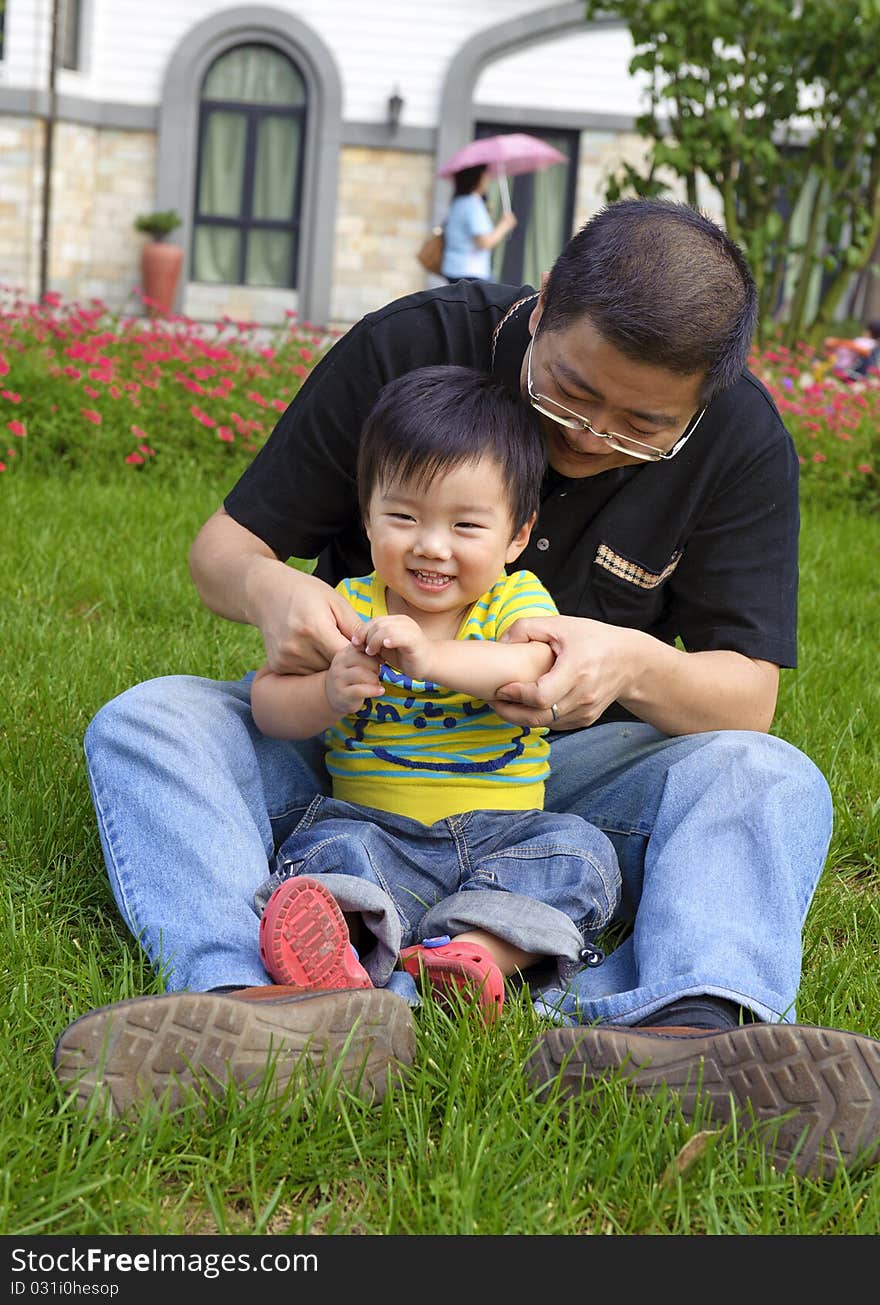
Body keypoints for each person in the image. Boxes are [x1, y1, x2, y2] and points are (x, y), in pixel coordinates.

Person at [56, 198, 880, 1180]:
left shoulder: (738, 437)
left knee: (768, 775)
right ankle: (247, 1003)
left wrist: (631, 664)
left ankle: (677, 1027)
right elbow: (222, 552)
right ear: (538, 317)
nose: (590, 437)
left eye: (641, 428)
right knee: (151, 720)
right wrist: (272, 593)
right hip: (351, 750)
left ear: (701, 403)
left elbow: (744, 695)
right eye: (569, 394)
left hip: (552, 780)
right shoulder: (413, 347)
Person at [249, 365, 620, 1023]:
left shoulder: (515, 599)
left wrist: (431, 657)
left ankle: (472, 954)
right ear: (367, 516)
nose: (430, 545)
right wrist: (329, 693)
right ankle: (345, 961)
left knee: (579, 850)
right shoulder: (351, 605)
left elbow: (531, 663)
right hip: (378, 833)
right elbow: (268, 704)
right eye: (403, 516)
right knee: (328, 852)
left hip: (507, 836)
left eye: (466, 527)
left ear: (516, 535)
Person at [440, 164, 517, 283]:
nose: (488, 178)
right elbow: (484, 242)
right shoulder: (473, 204)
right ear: (477, 178)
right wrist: (505, 225)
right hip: (471, 271)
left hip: (453, 269)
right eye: (485, 174)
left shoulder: (457, 202)